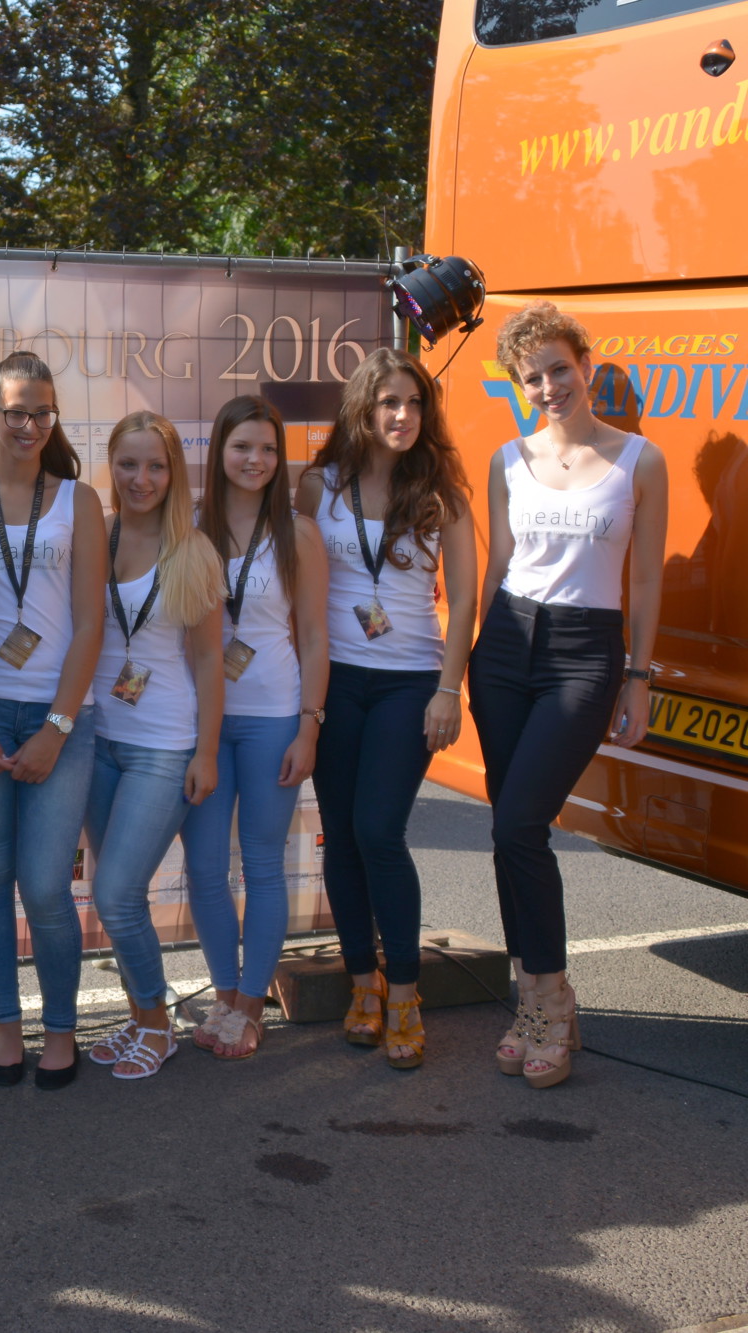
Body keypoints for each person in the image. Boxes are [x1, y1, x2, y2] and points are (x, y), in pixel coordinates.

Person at [469, 302, 666, 1089]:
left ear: (585, 365)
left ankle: (552, 998)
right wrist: (473, 656)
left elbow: (644, 578)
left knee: (521, 823)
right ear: (519, 387)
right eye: (532, 377)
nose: (548, 386)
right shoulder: (507, 458)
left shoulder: (640, 460)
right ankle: (534, 1000)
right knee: (506, 833)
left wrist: (638, 678)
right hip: (505, 646)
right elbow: (498, 564)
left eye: (558, 368)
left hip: (586, 654)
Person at [297, 348, 477, 1072]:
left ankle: (404, 990)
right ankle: (362, 984)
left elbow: (465, 599)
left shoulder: (440, 491)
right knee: (341, 836)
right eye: (389, 402)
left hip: (410, 682)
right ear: (362, 410)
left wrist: (448, 690)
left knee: (379, 829)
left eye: (415, 402)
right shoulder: (318, 485)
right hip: (336, 679)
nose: (404, 415)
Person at [0, 351, 106, 1089]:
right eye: (15, 412)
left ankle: (61, 1028)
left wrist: (56, 727)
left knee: (43, 883)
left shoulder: (79, 501)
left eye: (42, 413)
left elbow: (91, 622)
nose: (29, 425)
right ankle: (6, 1027)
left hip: (61, 717)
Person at [181, 396, 329, 1061]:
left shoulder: (298, 533)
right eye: (242, 446)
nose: (256, 459)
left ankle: (249, 1004)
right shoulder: (189, 528)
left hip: (273, 717)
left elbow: (316, 637)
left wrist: (309, 728)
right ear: (219, 451)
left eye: (268, 448)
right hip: (201, 722)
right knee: (205, 868)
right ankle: (223, 995)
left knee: (263, 865)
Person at [83, 412, 226, 1081]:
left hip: (163, 746)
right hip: (97, 740)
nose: (141, 479)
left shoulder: (192, 552)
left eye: (156, 466)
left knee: (117, 892)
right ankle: (140, 1017)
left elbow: (209, 662)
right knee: (115, 895)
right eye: (128, 464)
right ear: (110, 466)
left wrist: (206, 752)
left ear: (174, 473)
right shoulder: (94, 536)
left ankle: (158, 1024)